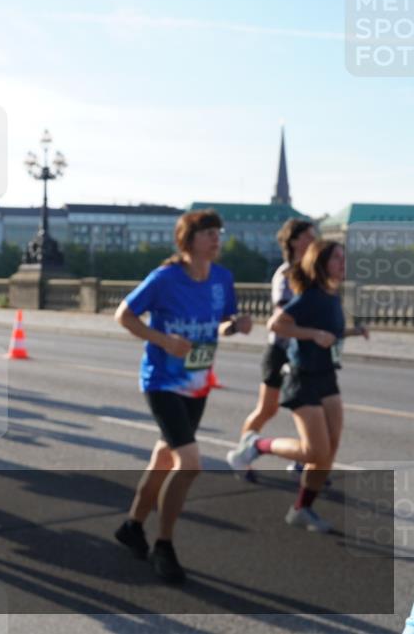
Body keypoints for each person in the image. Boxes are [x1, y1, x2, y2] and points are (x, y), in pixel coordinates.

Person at [112, 210, 252, 583]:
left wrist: (235, 326)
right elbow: (124, 315)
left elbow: (219, 322)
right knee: (189, 463)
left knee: (163, 459)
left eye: (218, 232)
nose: (216, 238)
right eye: (207, 233)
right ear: (187, 240)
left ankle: (132, 526)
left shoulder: (222, 278)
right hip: (162, 381)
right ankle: (164, 545)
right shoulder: (165, 279)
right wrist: (163, 340)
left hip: (198, 382)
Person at [227, 240, 368, 533]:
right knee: (314, 452)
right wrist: (313, 334)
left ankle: (301, 509)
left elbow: (329, 332)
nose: (343, 263)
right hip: (301, 378)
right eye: (337, 258)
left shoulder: (332, 295)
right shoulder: (311, 296)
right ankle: (256, 445)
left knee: (330, 449)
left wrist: (354, 331)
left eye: (344, 257)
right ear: (321, 264)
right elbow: (277, 324)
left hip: (327, 376)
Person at [234, 219, 316, 481]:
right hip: (280, 350)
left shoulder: (313, 273)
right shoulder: (286, 273)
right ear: (294, 241)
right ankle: (242, 455)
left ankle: (305, 460)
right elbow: (283, 314)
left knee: (309, 406)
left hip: (306, 352)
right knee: (267, 409)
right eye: (308, 236)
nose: (313, 241)